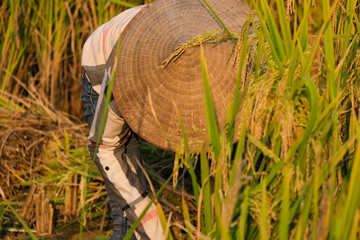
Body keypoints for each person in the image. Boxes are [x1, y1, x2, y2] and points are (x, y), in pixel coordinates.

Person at [81, 0, 248, 239]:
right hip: (102, 63)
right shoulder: (126, 78)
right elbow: (104, 146)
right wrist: (154, 230)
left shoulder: (228, 48)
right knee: (126, 214)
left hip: (163, 40)